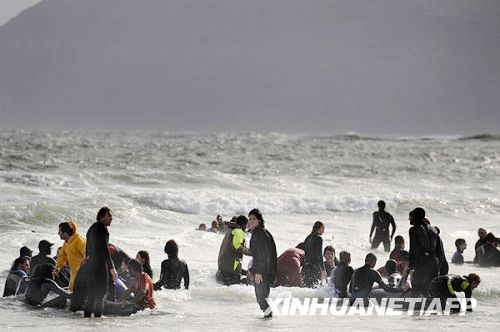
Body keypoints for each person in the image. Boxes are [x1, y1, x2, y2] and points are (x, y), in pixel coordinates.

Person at [81, 207, 118, 317]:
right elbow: (104, 249)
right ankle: (98, 323)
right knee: (100, 296)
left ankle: (86, 321)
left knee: (91, 296)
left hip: (89, 266)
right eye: (109, 215)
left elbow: (88, 249)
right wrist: (112, 268)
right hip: (99, 267)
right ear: (101, 217)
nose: (111, 218)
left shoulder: (91, 228)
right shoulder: (102, 229)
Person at [408, 207, 446, 297]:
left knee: (416, 289)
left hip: (422, 263)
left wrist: (411, 266)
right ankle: (434, 308)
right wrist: (438, 266)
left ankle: (414, 309)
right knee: (431, 289)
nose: (409, 219)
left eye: (411, 217)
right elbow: (439, 252)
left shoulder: (413, 230)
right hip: (434, 263)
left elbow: (413, 249)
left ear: (416, 217)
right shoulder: (434, 230)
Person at [248, 208, 277, 318]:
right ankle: (268, 319)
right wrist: (251, 270)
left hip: (264, 271)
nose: (251, 221)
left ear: (259, 220)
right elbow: (256, 256)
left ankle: (269, 320)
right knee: (260, 299)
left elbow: (264, 256)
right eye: (250, 219)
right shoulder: (256, 234)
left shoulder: (262, 234)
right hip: (260, 270)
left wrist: (259, 272)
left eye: (253, 219)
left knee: (262, 299)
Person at [216, 215, 251, 285]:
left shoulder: (230, 231)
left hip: (222, 270)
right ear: (244, 224)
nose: (247, 228)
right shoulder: (238, 232)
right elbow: (237, 247)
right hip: (230, 273)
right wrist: (252, 253)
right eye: (247, 225)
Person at [54, 221, 86, 291]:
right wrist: (57, 268)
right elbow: (62, 256)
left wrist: (83, 270)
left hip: (83, 275)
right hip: (74, 274)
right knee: (72, 292)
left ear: (65, 233)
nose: (58, 233)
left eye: (60, 231)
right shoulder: (67, 243)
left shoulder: (79, 241)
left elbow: (88, 255)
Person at [302, 221, 327, 288]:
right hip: (314, 268)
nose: (323, 231)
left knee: (306, 287)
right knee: (316, 287)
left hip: (306, 267)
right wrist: (323, 269)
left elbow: (303, 250)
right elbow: (319, 255)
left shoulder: (308, 238)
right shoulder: (319, 239)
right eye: (323, 228)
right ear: (319, 228)